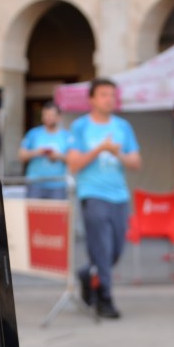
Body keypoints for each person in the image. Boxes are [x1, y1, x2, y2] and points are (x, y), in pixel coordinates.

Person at [66, 79, 141, 319]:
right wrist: (99, 149)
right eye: (103, 94)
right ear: (91, 99)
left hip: (119, 195)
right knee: (101, 247)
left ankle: (87, 274)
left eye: (112, 95)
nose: (109, 99)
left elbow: (136, 162)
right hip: (92, 194)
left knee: (115, 250)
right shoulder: (80, 126)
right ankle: (105, 298)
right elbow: (73, 164)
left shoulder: (123, 126)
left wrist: (117, 153)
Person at [18, 102, 70, 198]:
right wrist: (37, 152)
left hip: (58, 185)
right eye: (45, 115)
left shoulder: (66, 136)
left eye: (51, 115)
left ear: (59, 117)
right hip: (35, 184)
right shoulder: (33, 134)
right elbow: (21, 156)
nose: (48, 118)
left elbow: (74, 159)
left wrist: (58, 156)